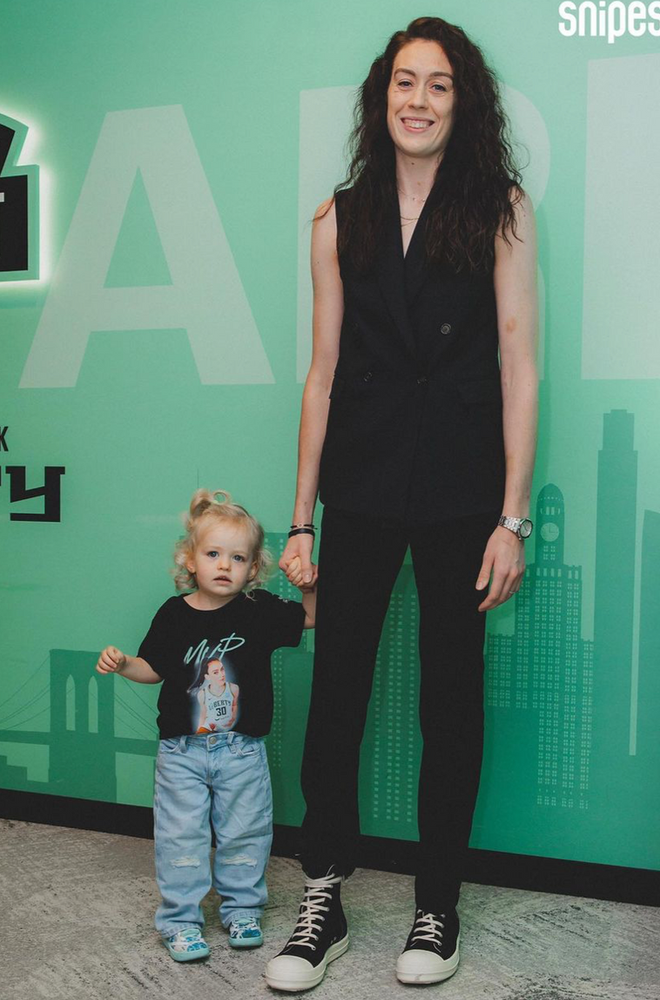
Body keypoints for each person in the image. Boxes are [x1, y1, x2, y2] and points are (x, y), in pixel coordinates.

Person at [264, 15, 538, 992]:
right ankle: (325, 895)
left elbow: (520, 360)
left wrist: (512, 516)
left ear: (462, 105)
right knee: (337, 693)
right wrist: (300, 519)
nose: (419, 101)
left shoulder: (499, 206)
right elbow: (323, 374)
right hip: (364, 486)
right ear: (382, 101)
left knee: (448, 701)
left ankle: (437, 902)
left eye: (439, 86)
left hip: (465, 491)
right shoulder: (338, 219)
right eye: (404, 84)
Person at [96, 489, 316, 962]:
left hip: (241, 751)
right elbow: (151, 668)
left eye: (237, 557)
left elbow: (315, 618)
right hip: (182, 754)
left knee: (245, 833)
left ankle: (241, 910)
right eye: (213, 554)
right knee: (181, 838)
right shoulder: (173, 614)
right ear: (189, 559)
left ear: (253, 568)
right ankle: (180, 921)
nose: (224, 565)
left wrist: (308, 584)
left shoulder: (260, 610)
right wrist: (123, 664)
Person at [192, 658, 239, 733]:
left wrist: (233, 718)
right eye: (215, 672)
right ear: (207, 677)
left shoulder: (233, 688)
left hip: (228, 730)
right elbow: (203, 715)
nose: (221, 674)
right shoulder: (202, 694)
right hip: (211, 729)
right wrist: (198, 734)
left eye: (222, 669)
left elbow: (234, 705)